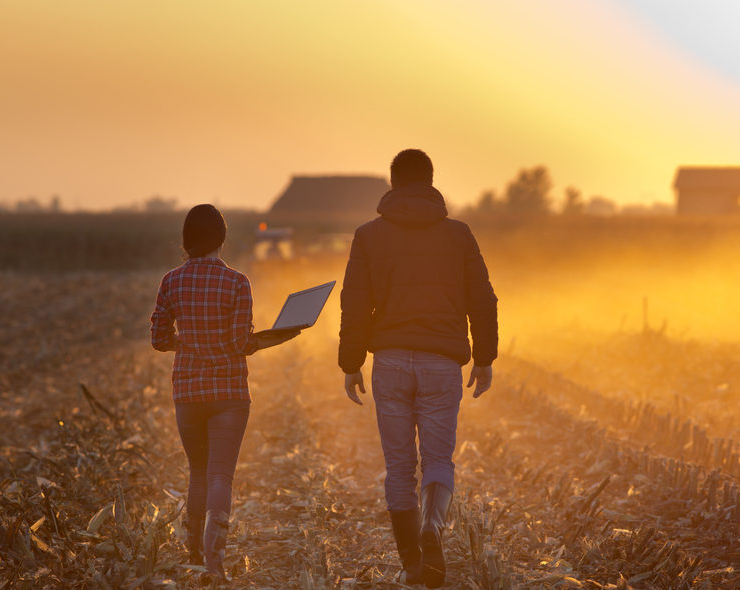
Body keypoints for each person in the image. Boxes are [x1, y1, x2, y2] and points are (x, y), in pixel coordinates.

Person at [338, 149, 498, 588]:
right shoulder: (459, 235)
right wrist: (484, 357)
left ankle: (412, 562)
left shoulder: (368, 235)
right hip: (441, 363)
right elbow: (482, 298)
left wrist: (351, 363)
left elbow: (354, 303)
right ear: (430, 181)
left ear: (392, 184)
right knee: (438, 460)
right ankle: (433, 528)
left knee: (399, 467)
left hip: (388, 362)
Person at [150, 204, 299, 582]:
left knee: (197, 473)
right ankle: (215, 566)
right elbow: (238, 342)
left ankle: (194, 556)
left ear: (186, 240)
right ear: (222, 238)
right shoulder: (237, 282)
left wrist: (189, 343)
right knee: (221, 477)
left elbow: (159, 338)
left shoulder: (171, 281)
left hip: (187, 391)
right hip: (229, 393)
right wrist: (273, 338)